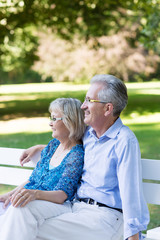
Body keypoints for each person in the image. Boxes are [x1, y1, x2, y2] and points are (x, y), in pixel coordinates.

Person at [4, 74, 150, 240]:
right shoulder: (89, 135)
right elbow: (70, 150)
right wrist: (39, 148)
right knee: (20, 209)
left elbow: (131, 193)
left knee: (21, 224)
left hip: (105, 218)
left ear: (107, 109)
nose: (82, 106)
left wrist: (133, 237)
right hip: (74, 208)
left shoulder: (124, 141)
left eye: (89, 100)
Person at [0, 97, 86, 240]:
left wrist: (35, 194)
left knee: (18, 208)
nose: (50, 123)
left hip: (55, 204)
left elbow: (62, 195)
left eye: (54, 118)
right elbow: (32, 180)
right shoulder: (52, 146)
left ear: (70, 121)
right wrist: (9, 194)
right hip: (34, 200)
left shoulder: (76, 155)